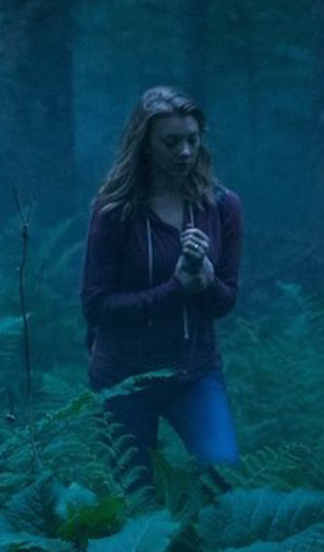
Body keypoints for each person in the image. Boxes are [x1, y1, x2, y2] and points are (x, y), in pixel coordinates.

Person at [81, 86, 243, 491]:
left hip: (194, 372)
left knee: (223, 476)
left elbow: (225, 299)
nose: (185, 152)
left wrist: (205, 281)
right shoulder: (115, 212)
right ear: (145, 144)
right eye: (171, 142)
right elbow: (96, 306)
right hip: (124, 378)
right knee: (135, 496)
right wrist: (176, 289)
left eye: (192, 140)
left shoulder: (221, 206)